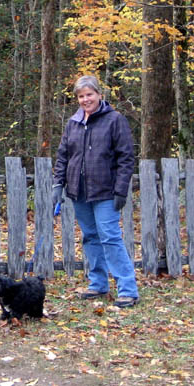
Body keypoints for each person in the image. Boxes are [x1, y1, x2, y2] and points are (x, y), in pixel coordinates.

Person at [52, 75, 139, 308]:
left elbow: (126, 158)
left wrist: (121, 190)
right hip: (79, 192)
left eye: (89, 94)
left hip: (105, 191)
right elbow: (63, 156)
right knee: (90, 237)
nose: (85, 100)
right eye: (81, 96)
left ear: (99, 94)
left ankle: (128, 290)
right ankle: (98, 284)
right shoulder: (73, 123)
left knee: (110, 237)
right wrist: (58, 185)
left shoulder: (115, 120)